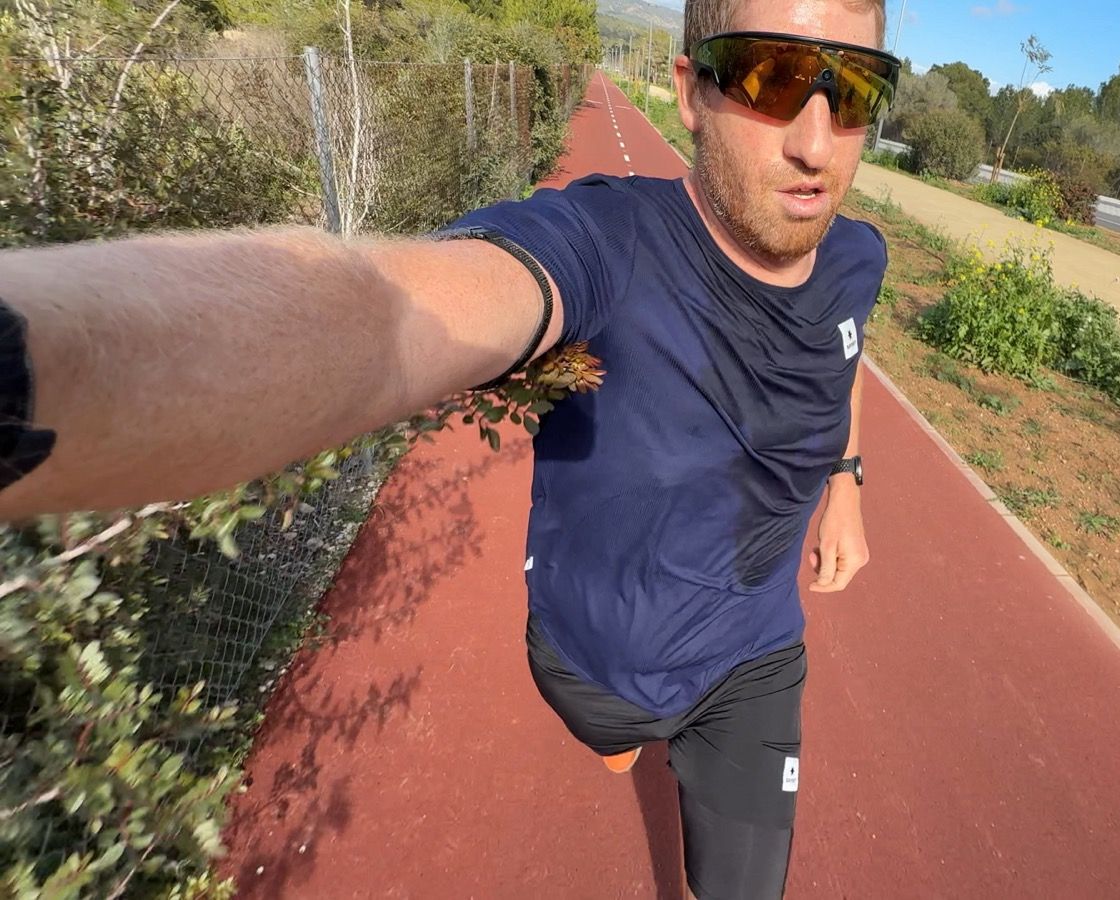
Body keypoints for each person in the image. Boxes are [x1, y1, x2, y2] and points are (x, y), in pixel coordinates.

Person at [0, 0, 897, 896]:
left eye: (853, 89)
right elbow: (393, 316)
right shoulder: (610, 241)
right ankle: (626, 737)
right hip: (593, 661)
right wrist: (41, 367)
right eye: (772, 78)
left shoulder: (857, 257)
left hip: (755, 655)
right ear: (691, 90)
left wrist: (846, 482)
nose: (816, 144)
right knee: (616, 737)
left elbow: (843, 351)